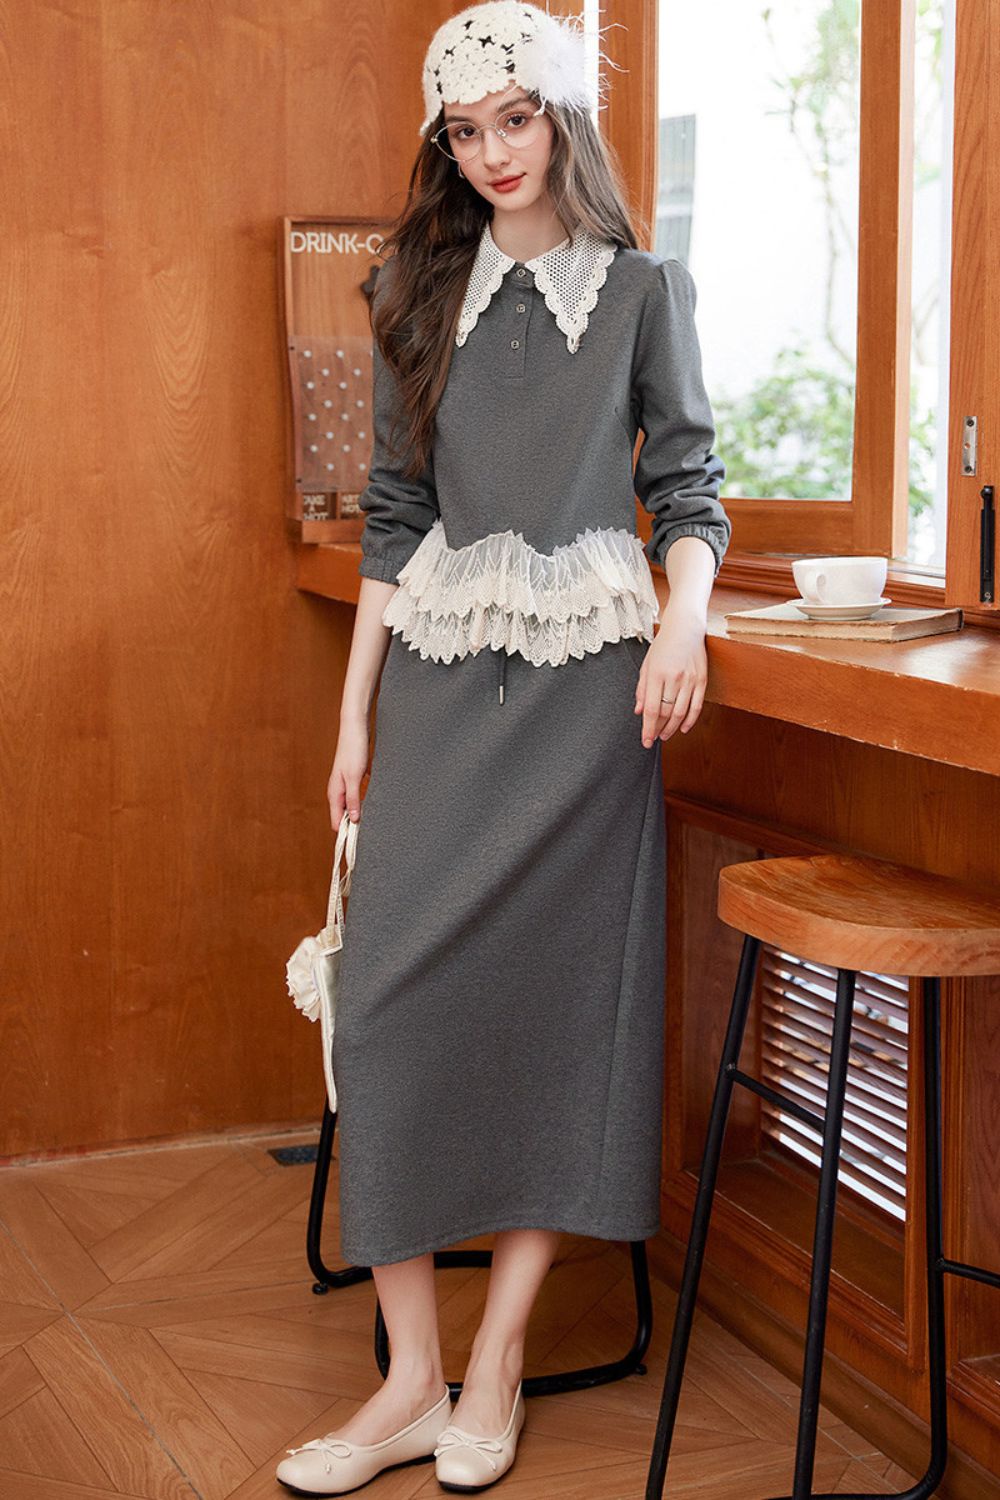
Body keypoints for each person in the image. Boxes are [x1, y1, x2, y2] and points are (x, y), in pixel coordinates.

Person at [277, 2, 731, 1493]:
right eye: (464, 133)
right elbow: (393, 524)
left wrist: (684, 627)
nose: (491, 155)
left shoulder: (647, 289)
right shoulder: (415, 282)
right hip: (436, 687)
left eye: (513, 120)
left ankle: (496, 1358)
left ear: (562, 117)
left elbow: (691, 490)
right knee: (386, 998)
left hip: (593, 698)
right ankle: (410, 1373)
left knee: (553, 1008)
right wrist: (352, 717)